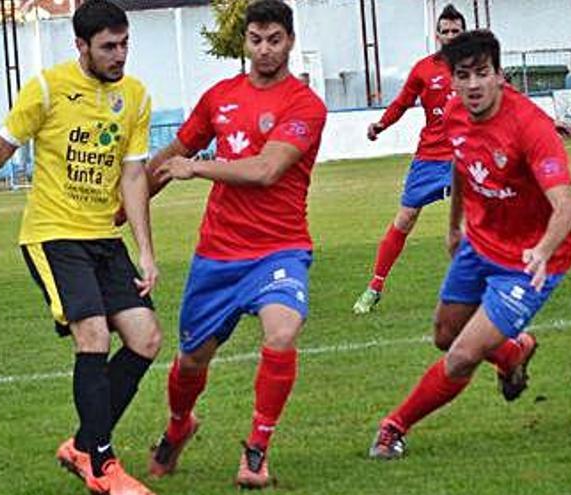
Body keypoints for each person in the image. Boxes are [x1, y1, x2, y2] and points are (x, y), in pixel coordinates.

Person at [0, 1, 161, 493]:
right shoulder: (47, 88)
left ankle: (82, 442)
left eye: (124, 45)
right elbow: (0, 156)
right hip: (52, 234)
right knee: (93, 334)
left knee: (145, 339)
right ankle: (101, 465)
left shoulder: (136, 97)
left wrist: (145, 250)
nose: (119, 56)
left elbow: (134, 175)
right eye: (108, 47)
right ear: (81, 46)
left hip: (104, 238)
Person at [142, 0, 327, 489]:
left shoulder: (305, 105)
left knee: (283, 332)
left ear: (290, 41)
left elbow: (267, 170)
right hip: (218, 253)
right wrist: (127, 204)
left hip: (279, 249)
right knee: (190, 362)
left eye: (274, 40)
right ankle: (179, 425)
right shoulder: (219, 96)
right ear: (244, 42)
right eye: (256, 40)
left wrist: (198, 167)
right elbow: (173, 154)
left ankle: (257, 449)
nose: (264, 50)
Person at [368, 29, 571, 460]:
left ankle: (394, 426)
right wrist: (453, 225)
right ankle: (512, 353)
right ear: (454, 80)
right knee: (445, 335)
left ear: (500, 76)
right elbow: (462, 168)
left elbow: (566, 206)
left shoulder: (531, 127)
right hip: (480, 243)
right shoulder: (454, 114)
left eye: (483, 73)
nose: (474, 85)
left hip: (530, 261)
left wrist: (541, 249)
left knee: (462, 355)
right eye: (464, 76)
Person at [351, 5, 466, 314]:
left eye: (457, 31)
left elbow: (507, 98)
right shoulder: (424, 69)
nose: (451, 36)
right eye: (446, 31)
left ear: (463, 33)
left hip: (466, 154)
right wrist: (380, 125)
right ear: (438, 35)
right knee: (405, 218)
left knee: (488, 214)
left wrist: (547, 124)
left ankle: (492, 283)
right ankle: (374, 287)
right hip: (430, 157)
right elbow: (402, 103)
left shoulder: (477, 65)